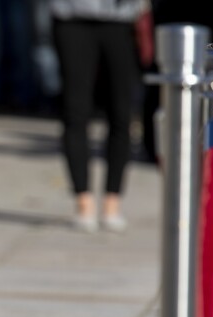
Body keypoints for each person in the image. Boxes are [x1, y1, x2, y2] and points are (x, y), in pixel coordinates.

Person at [50, 0, 148, 232]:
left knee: (122, 113)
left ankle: (112, 201)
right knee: (75, 111)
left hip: (121, 18)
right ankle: (83, 200)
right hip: (72, 16)